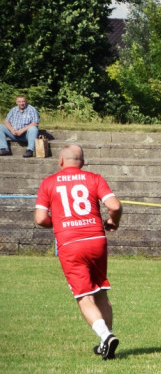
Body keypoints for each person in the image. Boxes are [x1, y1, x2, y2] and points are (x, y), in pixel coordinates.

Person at [34, 145, 123, 359]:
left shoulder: (48, 183)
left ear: (61, 161)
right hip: (95, 239)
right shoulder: (94, 178)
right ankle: (105, 343)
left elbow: (40, 218)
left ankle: (106, 337)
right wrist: (112, 222)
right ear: (82, 163)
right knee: (101, 291)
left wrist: (60, 223)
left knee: (84, 296)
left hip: (70, 243)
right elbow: (115, 206)